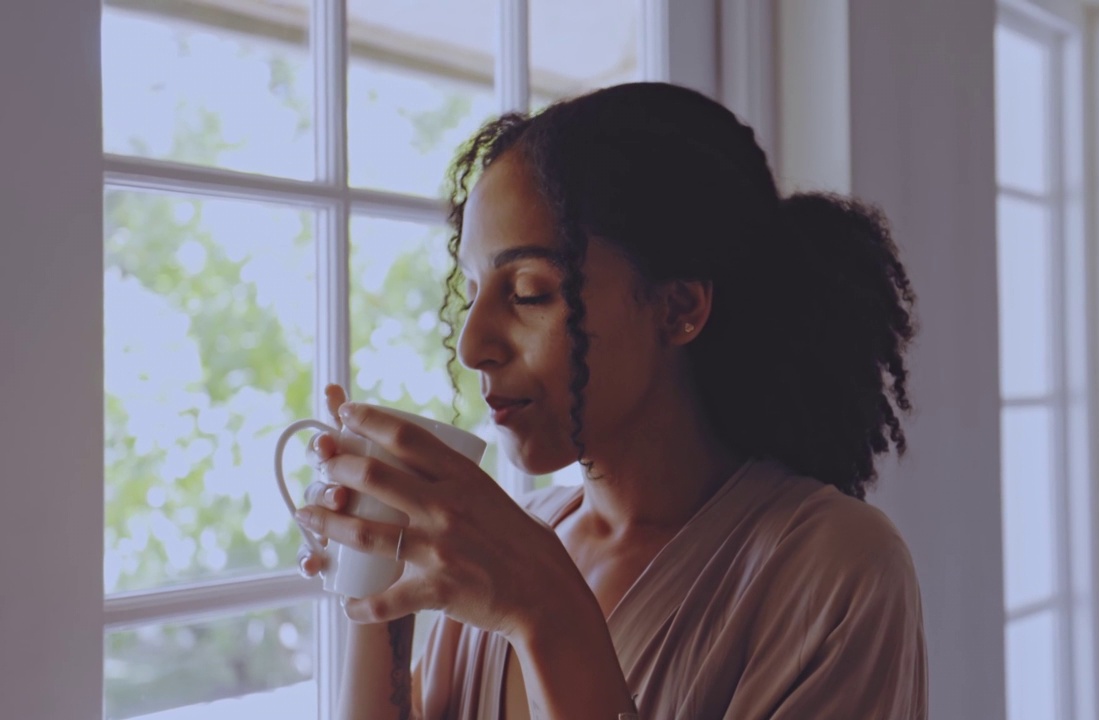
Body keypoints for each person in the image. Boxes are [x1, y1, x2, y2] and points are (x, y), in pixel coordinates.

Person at [295, 81, 927, 720]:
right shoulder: (504, 544)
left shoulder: (836, 568)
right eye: (474, 290)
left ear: (678, 307)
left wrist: (548, 613)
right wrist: (375, 579)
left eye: (530, 292)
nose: (472, 345)